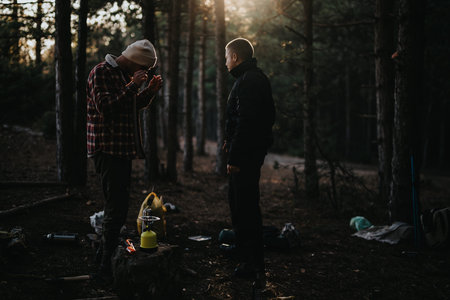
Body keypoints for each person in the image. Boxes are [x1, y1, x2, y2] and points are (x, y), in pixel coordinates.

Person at [86, 39, 163, 281]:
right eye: (146, 69)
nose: (146, 73)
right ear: (135, 62)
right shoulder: (101, 72)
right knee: (116, 206)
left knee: (117, 206)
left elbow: (129, 106)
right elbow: (106, 107)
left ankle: (103, 257)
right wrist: (133, 85)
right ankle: (104, 268)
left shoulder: (122, 76)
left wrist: (149, 91)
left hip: (121, 149)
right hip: (107, 149)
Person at [223, 38, 275, 283]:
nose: (225, 63)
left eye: (226, 57)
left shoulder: (251, 81)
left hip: (246, 157)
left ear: (235, 57)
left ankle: (252, 265)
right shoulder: (248, 79)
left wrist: (235, 156)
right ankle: (244, 254)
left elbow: (248, 123)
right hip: (245, 154)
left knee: (246, 208)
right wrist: (228, 142)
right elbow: (239, 120)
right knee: (238, 204)